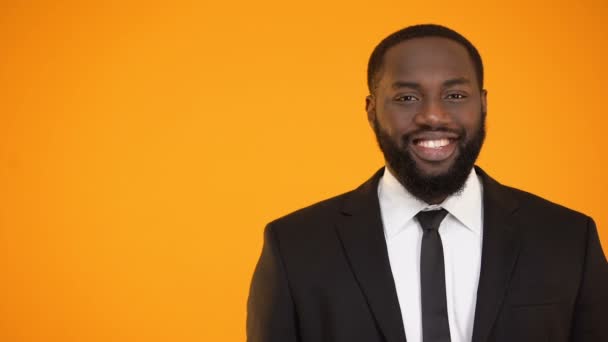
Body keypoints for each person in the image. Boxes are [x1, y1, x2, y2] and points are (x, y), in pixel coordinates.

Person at [246, 24, 608, 342]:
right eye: (407, 98)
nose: (433, 115)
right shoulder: (294, 247)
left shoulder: (569, 240)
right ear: (371, 111)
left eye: (455, 96)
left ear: (483, 105)